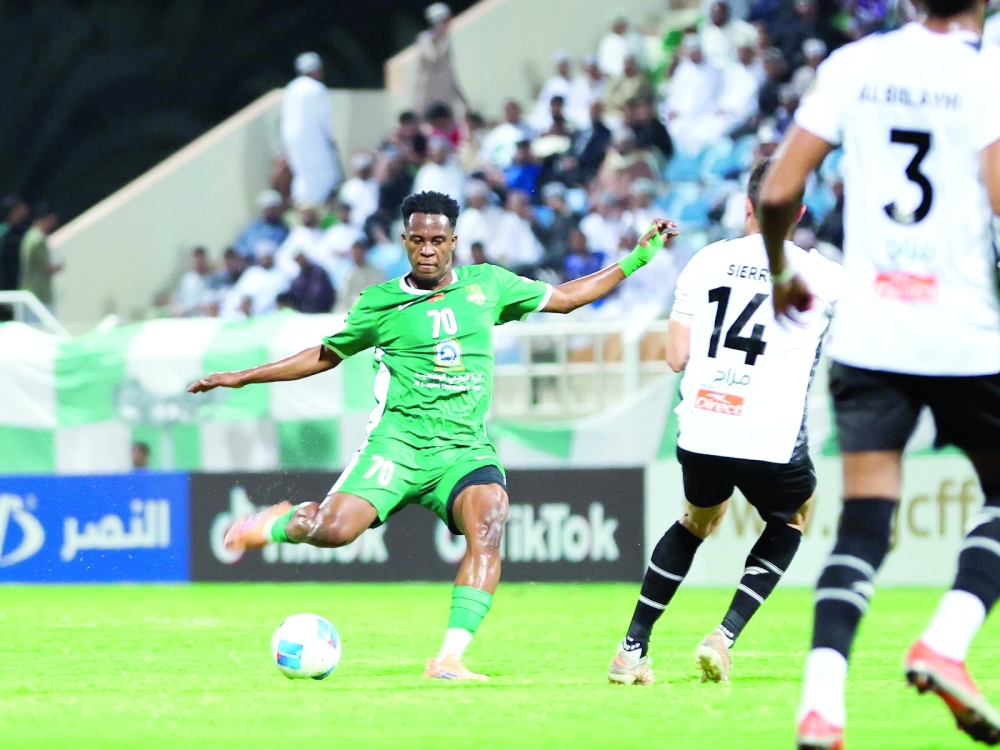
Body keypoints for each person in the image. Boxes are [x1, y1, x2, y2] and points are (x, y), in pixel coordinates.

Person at [189, 191, 678, 680]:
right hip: (397, 446)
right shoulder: (380, 303)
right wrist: (242, 376)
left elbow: (568, 300)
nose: (427, 249)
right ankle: (279, 522)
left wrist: (637, 258)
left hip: (463, 451)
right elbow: (324, 354)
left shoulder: (488, 284)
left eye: (438, 240)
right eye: (418, 240)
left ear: (454, 242)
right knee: (332, 532)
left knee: (489, 518)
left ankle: (449, 658)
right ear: (404, 241)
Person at [757, 3, 1000, 747]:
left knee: (865, 521)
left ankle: (821, 704)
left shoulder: (853, 66)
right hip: (964, 337)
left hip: (870, 335)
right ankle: (945, 642)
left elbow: (775, 193)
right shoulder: (985, 73)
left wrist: (779, 275)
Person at [608, 157, 844, 687]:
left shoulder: (705, 261)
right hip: (768, 432)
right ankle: (724, 635)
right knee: (793, 516)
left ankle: (631, 649)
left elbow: (674, 357)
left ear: (746, 208)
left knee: (697, 520)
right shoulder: (823, 274)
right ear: (800, 211)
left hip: (703, 425)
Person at [281, 52, 342, 205]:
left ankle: (302, 202)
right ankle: (318, 206)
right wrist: (331, 139)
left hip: (291, 140)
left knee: (302, 173)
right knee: (321, 173)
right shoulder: (316, 88)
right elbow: (324, 120)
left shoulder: (291, 88)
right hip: (313, 139)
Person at [413, 3, 467, 116]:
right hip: (427, 102)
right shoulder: (425, 39)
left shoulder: (446, 41)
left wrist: (463, 100)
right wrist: (437, 38)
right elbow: (432, 59)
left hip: (446, 103)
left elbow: (450, 74)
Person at [19, 205, 61, 311]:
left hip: (30, 294)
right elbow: (48, 268)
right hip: (39, 296)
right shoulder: (38, 240)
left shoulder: (29, 236)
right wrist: (59, 266)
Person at [233, 190, 289, 261]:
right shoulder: (253, 227)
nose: (270, 213)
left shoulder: (283, 229)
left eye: (272, 209)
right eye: (267, 210)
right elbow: (240, 247)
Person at [342, 239, 386, 309]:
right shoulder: (349, 274)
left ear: (364, 252)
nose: (356, 255)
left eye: (358, 251)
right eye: (354, 252)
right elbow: (344, 297)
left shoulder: (376, 272)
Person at [172, 246, 215, 317]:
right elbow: (176, 299)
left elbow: (209, 303)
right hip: (186, 319)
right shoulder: (187, 279)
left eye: (200, 258)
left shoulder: (212, 279)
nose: (198, 262)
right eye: (196, 258)